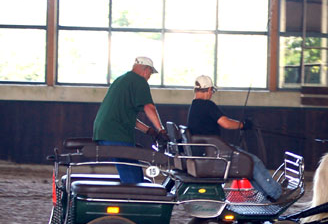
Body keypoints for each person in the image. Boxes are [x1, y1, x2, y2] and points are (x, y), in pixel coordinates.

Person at [186, 75, 282, 201]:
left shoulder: (194, 106)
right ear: (209, 90)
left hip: (209, 150)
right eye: (212, 91)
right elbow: (225, 123)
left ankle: (267, 195)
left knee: (250, 164)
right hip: (216, 152)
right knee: (253, 161)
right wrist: (243, 125)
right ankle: (275, 193)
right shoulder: (207, 105)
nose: (212, 94)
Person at [93, 56, 169, 184]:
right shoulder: (139, 81)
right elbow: (149, 107)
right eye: (150, 74)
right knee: (132, 175)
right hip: (116, 134)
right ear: (146, 70)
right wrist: (161, 130)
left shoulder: (121, 80)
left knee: (135, 169)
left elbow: (126, 117)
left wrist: (149, 131)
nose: (149, 77)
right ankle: (132, 195)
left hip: (104, 131)